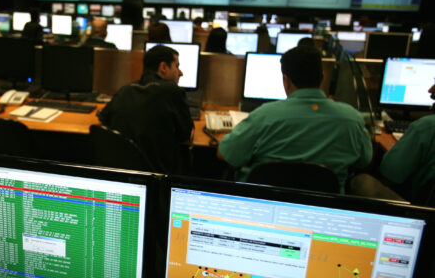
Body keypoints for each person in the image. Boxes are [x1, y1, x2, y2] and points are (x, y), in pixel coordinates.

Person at [218, 45, 372, 190]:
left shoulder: (264, 116)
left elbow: (226, 154)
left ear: (286, 80)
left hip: (264, 202)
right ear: (322, 77)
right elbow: (365, 160)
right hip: (324, 205)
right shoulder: (352, 119)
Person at [98, 45, 194, 173]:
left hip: (123, 171)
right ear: (163, 67)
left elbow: (103, 118)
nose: (180, 73)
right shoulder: (173, 92)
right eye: (176, 66)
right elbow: (187, 137)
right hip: (159, 175)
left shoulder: (126, 90)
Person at [380, 80, 435, 200]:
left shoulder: (427, 126)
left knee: (362, 181)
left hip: (419, 206)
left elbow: (391, 173)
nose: (430, 90)